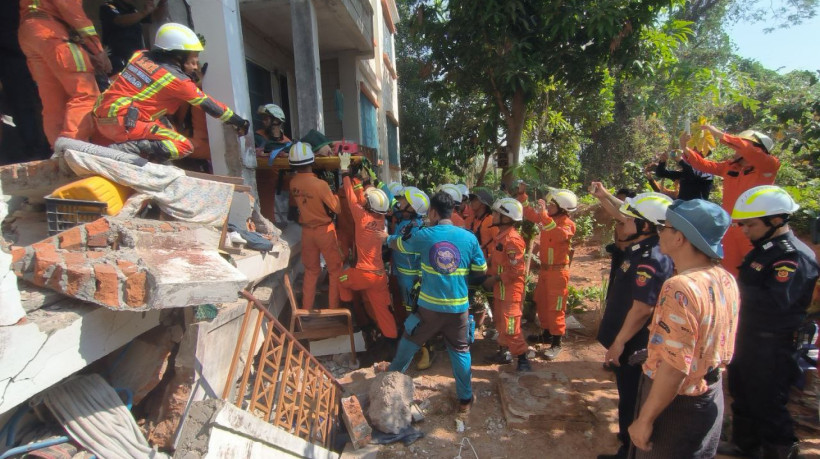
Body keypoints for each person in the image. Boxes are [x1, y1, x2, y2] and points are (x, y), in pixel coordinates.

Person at [628, 199, 738, 458]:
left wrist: (646, 419)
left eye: (665, 227)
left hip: (677, 405)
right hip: (710, 394)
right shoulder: (724, 278)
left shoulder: (680, 287)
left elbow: (676, 364)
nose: (660, 232)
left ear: (680, 238)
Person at [720, 186, 820, 459]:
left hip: (772, 342)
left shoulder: (793, 256)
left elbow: (777, 301)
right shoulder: (764, 249)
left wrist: (729, 291)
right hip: (749, 337)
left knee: (767, 401)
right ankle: (744, 444)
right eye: (742, 224)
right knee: (742, 392)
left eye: (750, 224)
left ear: (776, 220)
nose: (745, 230)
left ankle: (780, 450)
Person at [590, 184, 674, 459]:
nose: (621, 221)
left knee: (633, 397)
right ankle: (626, 441)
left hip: (634, 344)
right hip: (627, 342)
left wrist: (618, 343)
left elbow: (641, 309)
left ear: (645, 226)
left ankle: (629, 450)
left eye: (628, 219)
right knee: (626, 394)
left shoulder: (652, 258)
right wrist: (603, 197)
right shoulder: (641, 248)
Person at [387, 191, 487, 414]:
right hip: (459, 308)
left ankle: (389, 384)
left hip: (429, 309)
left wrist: (385, 239)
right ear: (452, 212)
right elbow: (481, 271)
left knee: (408, 342)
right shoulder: (469, 237)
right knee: (461, 351)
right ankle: (465, 400)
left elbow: (399, 245)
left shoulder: (425, 235)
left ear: (432, 212)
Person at [93, 23, 249, 162]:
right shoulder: (176, 80)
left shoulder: (140, 55)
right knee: (183, 145)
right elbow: (209, 105)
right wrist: (238, 121)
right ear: (178, 54)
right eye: (193, 57)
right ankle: (127, 149)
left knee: (167, 128)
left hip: (102, 115)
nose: (195, 66)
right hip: (123, 124)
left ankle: (137, 151)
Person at [680, 125, 780, 276]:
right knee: (729, 273)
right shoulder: (730, 167)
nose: (736, 150)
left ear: (758, 149)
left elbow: (749, 151)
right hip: (730, 230)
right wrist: (685, 148)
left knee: (755, 274)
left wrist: (720, 135)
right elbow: (704, 165)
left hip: (754, 230)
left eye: (740, 145)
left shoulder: (768, 166)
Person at [18, 0, 112, 147]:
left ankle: (57, 150)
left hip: (30, 31)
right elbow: (74, 12)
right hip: (52, 33)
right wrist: (98, 50)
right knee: (86, 94)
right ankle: (72, 146)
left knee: (53, 101)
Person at [336, 153, 397, 342]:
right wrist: (357, 179)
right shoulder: (381, 220)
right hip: (379, 276)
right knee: (383, 311)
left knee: (340, 279)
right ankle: (392, 340)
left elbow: (351, 197)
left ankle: (351, 316)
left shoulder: (361, 217)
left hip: (362, 274)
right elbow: (366, 199)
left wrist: (345, 172)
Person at [516, 184, 577, 360]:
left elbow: (557, 234)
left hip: (558, 274)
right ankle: (546, 333)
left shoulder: (568, 225)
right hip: (545, 272)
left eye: (552, 205)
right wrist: (522, 195)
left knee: (556, 307)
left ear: (562, 208)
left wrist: (543, 215)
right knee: (541, 302)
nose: (548, 208)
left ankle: (556, 343)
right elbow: (529, 213)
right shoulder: (547, 219)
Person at [287, 142, 344, 310]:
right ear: (312, 161)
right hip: (324, 230)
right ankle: (333, 309)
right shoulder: (321, 185)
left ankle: (306, 311)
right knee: (335, 271)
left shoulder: (293, 183)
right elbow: (337, 209)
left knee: (311, 271)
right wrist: (333, 191)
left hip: (307, 232)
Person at [483, 197, 531, 372]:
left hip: (510, 292)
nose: (493, 215)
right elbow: (498, 260)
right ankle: (503, 352)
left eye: (497, 213)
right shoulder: (501, 237)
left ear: (506, 217)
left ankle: (523, 359)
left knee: (511, 327)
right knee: (502, 324)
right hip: (501, 291)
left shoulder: (512, 240)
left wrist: (493, 279)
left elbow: (516, 270)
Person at [99, 0, 162, 74]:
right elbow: (120, 21)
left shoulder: (131, 8)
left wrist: (163, 2)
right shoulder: (107, 6)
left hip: (135, 58)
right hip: (117, 56)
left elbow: (154, 18)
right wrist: (144, 12)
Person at [467, 188, 498, 332]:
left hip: (488, 269)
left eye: (475, 199)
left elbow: (499, 245)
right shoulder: (472, 220)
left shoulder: (490, 220)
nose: (472, 202)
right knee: (466, 297)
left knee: (494, 300)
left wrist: (491, 261)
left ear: (483, 204)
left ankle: (499, 329)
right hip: (473, 267)